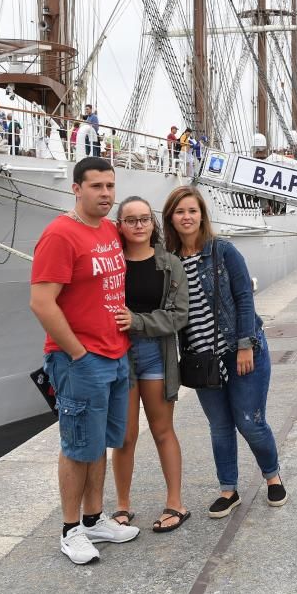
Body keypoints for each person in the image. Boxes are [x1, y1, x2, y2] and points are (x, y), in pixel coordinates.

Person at [29, 156, 140, 565]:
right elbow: (41, 302)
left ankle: (94, 520)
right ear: (76, 188)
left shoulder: (110, 230)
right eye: (96, 187)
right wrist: (77, 352)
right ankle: (70, 529)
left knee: (99, 445)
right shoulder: (60, 235)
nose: (106, 194)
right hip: (80, 359)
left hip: (115, 354)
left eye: (110, 186)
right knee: (77, 447)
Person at [162, 186, 287, 518]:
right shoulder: (169, 262)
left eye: (192, 210)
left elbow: (244, 297)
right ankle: (228, 490)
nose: (186, 217)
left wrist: (245, 344)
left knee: (250, 422)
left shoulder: (223, 251)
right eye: (179, 212)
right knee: (219, 426)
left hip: (239, 350)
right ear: (171, 218)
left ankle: (272, 476)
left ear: (201, 214)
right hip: (202, 359)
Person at [110, 196, 191, 533]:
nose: (139, 225)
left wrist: (139, 322)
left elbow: (179, 314)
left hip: (156, 353)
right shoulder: (112, 263)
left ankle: (175, 503)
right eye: (131, 220)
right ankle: (122, 505)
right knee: (125, 436)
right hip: (121, 355)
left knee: (161, 430)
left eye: (145, 219)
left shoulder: (170, 263)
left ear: (153, 224)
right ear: (120, 226)